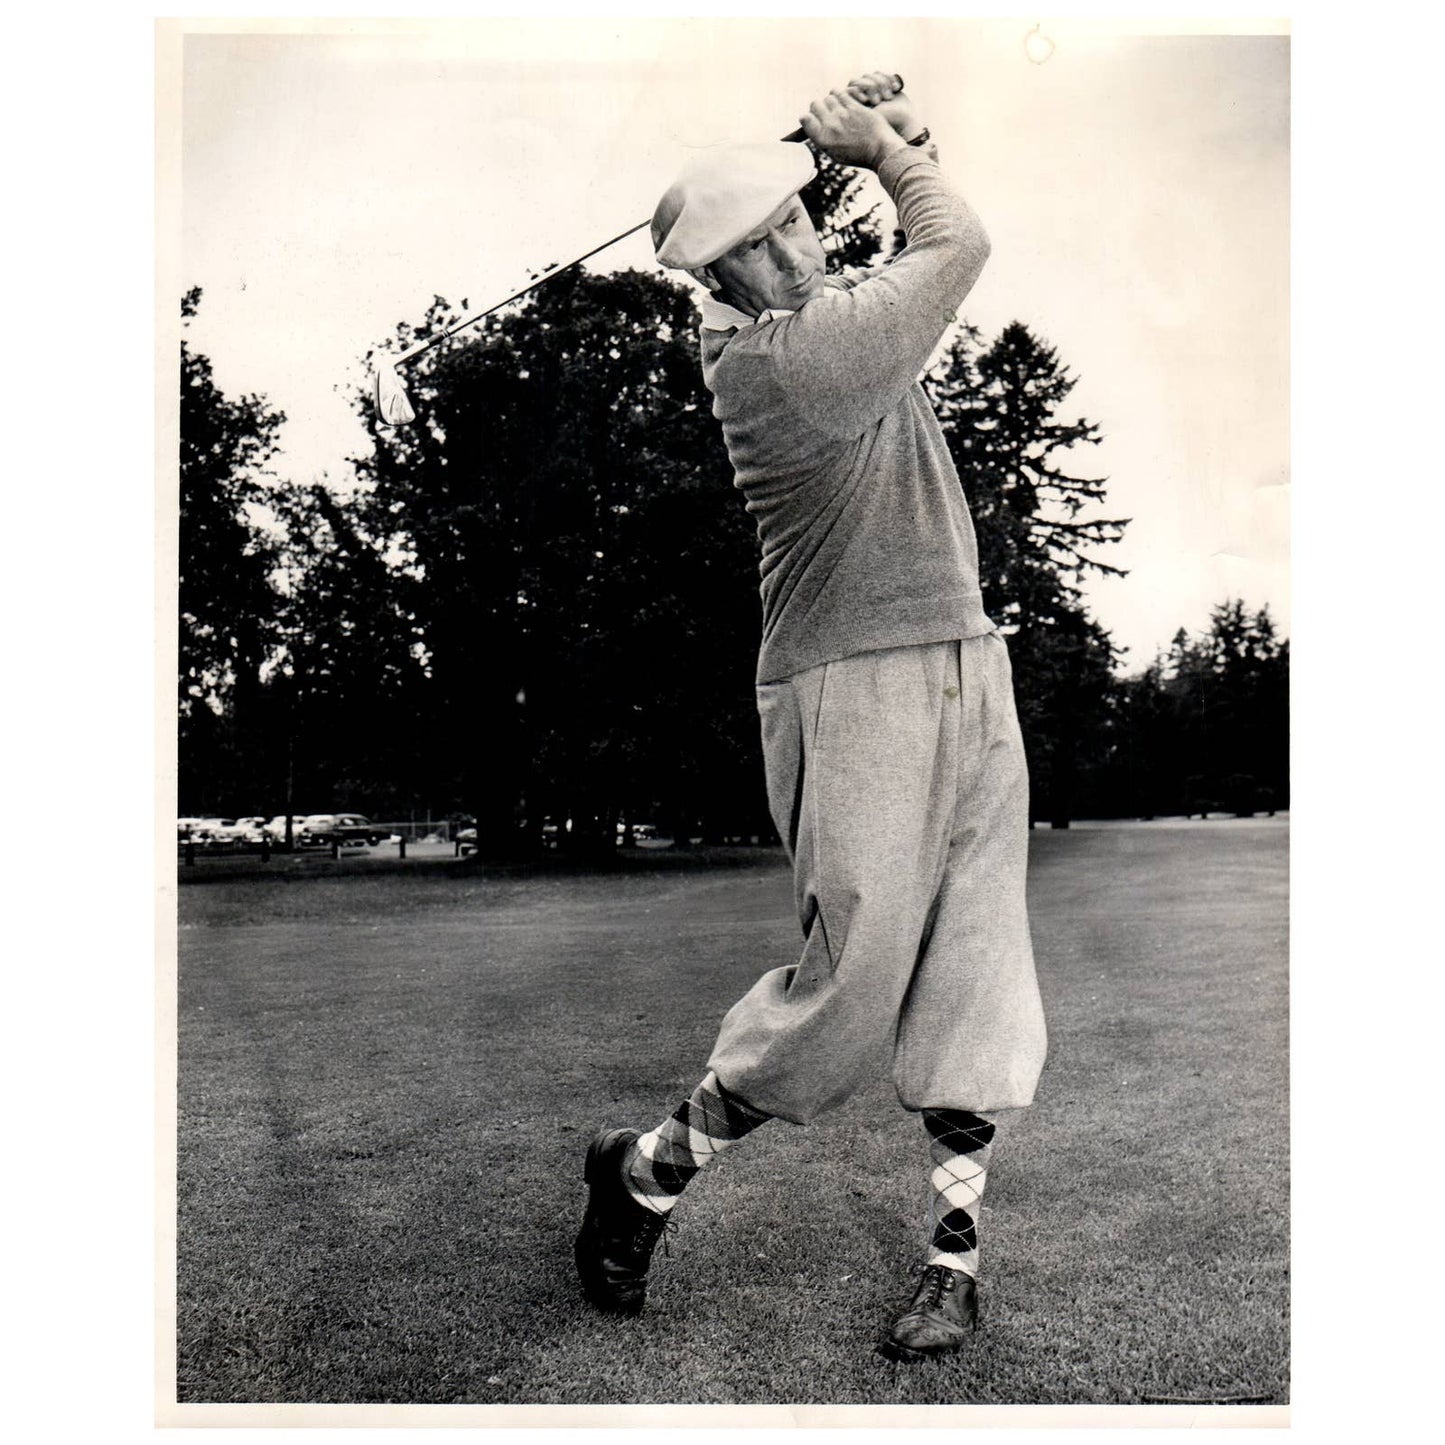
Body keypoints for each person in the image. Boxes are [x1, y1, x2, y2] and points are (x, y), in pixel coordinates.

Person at [574, 71, 1048, 1363]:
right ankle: (642, 1178)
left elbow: (909, 243)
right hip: (850, 684)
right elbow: (953, 241)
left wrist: (888, 139)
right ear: (712, 284)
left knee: (976, 969)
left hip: (965, 660)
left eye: (795, 219)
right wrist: (883, 150)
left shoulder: (834, 312)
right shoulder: (783, 367)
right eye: (752, 249)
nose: (788, 252)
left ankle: (952, 1264)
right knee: (846, 986)